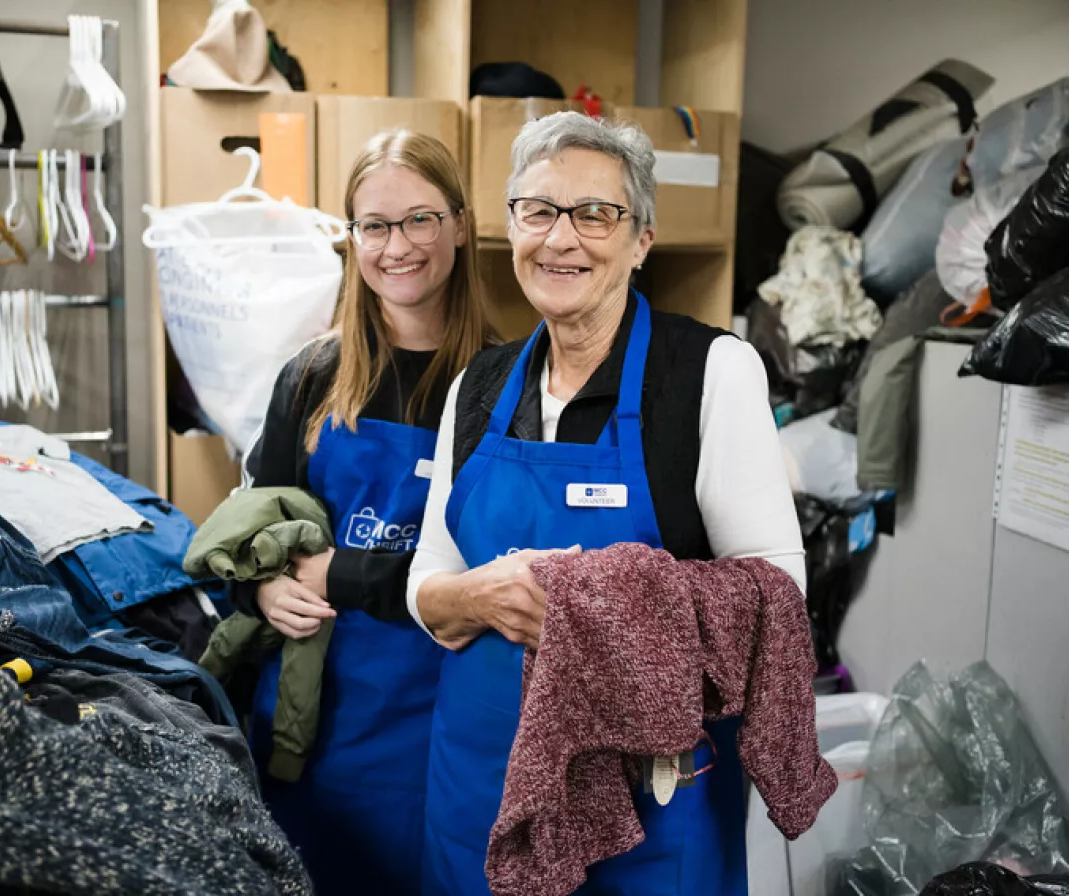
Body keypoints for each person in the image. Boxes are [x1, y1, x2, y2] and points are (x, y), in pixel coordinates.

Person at [407, 111, 807, 895]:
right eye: (539, 210)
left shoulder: (711, 372)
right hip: (478, 793)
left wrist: (594, 608)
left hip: (645, 821)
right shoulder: (478, 384)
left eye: (595, 214)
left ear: (641, 240)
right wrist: (480, 595)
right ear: (511, 226)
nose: (562, 239)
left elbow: (775, 602)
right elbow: (427, 578)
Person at [237, 129, 492, 895]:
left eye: (418, 219)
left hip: (439, 725)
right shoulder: (313, 375)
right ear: (352, 239)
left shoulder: (502, 386)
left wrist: (340, 571)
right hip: (312, 728)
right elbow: (252, 526)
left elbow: (495, 572)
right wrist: (261, 586)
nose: (396, 246)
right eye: (373, 225)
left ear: (460, 226)